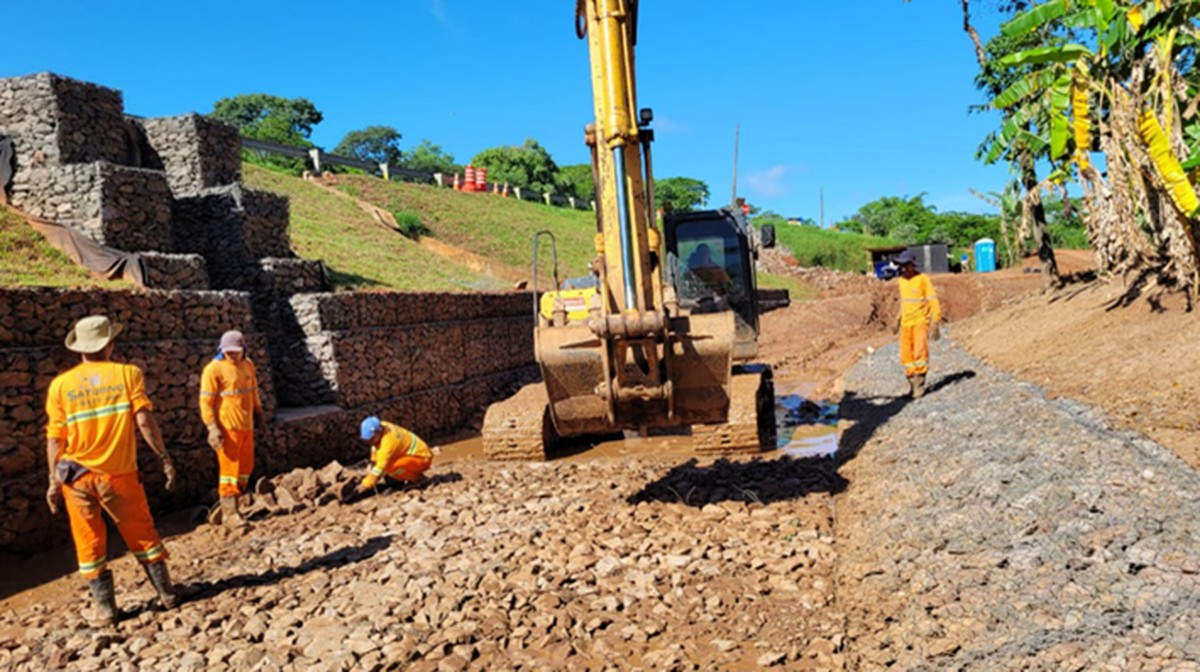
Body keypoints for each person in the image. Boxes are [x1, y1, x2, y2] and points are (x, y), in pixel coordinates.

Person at [44, 315, 179, 626]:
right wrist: (164, 457)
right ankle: (167, 595)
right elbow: (144, 421)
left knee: (89, 543)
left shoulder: (60, 386)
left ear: (79, 348)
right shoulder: (127, 374)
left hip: (74, 479)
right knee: (142, 535)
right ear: (109, 344)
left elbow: (54, 440)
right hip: (118, 476)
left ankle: (107, 611)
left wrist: (52, 482)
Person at [200, 330, 263, 527]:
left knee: (246, 468)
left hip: (246, 425)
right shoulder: (214, 369)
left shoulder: (248, 365)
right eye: (228, 352)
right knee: (229, 471)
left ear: (243, 349)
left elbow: (252, 392)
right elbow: (206, 401)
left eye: (235, 351)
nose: (232, 355)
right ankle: (230, 514)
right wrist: (212, 427)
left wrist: (258, 413)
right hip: (228, 428)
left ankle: (228, 505)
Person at [893, 251, 942, 398]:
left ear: (913, 265)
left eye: (908, 265)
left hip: (921, 321)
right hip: (906, 323)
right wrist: (897, 318)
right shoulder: (901, 281)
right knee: (906, 355)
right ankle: (912, 386)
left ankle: (920, 386)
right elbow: (904, 302)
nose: (906, 268)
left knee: (920, 353)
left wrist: (936, 322)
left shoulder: (923, 279)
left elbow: (932, 299)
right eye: (903, 265)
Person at [356, 417, 434, 495]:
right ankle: (400, 479)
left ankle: (418, 479)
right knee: (387, 465)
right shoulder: (382, 426)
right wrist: (372, 461)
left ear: (379, 431)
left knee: (389, 468)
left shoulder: (388, 443)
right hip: (410, 454)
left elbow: (379, 469)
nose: (370, 442)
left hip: (422, 458)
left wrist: (363, 487)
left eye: (372, 439)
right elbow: (375, 447)